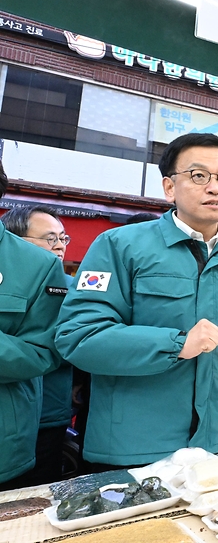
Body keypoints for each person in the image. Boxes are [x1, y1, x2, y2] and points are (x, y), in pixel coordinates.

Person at [55, 133, 218, 467]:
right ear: (169, 187)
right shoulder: (118, 245)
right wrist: (176, 344)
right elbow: (79, 336)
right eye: (199, 176)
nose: (215, 187)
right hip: (138, 445)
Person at [0, 164, 68, 490]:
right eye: (50, 238)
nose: (59, 245)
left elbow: (45, 351)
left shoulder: (44, 272)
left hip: (23, 430)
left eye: (62, 237)